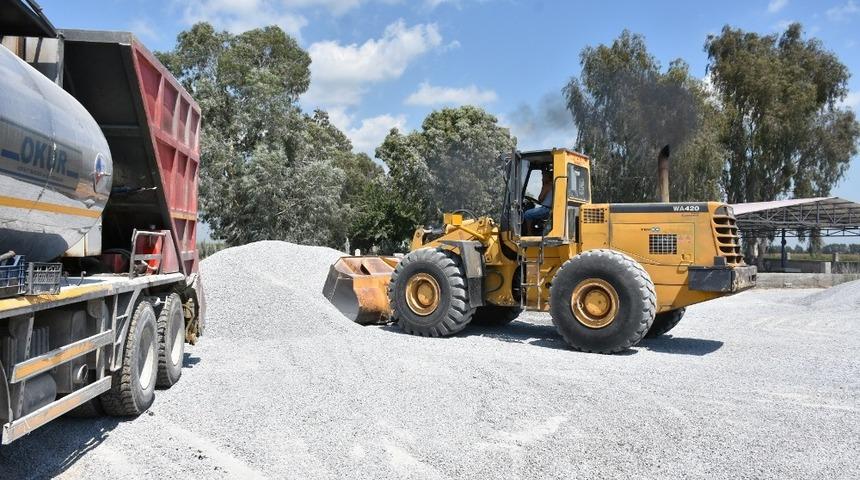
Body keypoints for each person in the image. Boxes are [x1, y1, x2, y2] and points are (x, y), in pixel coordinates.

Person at [523, 168, 553, 235]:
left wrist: (543, 187)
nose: (542, 178)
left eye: (543, 176)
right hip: (549, 209)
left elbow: (540, 198)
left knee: (527, 214)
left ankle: (529, 233)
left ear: (548, 177)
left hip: (545, 209)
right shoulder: (554, 185)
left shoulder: (547, 186)